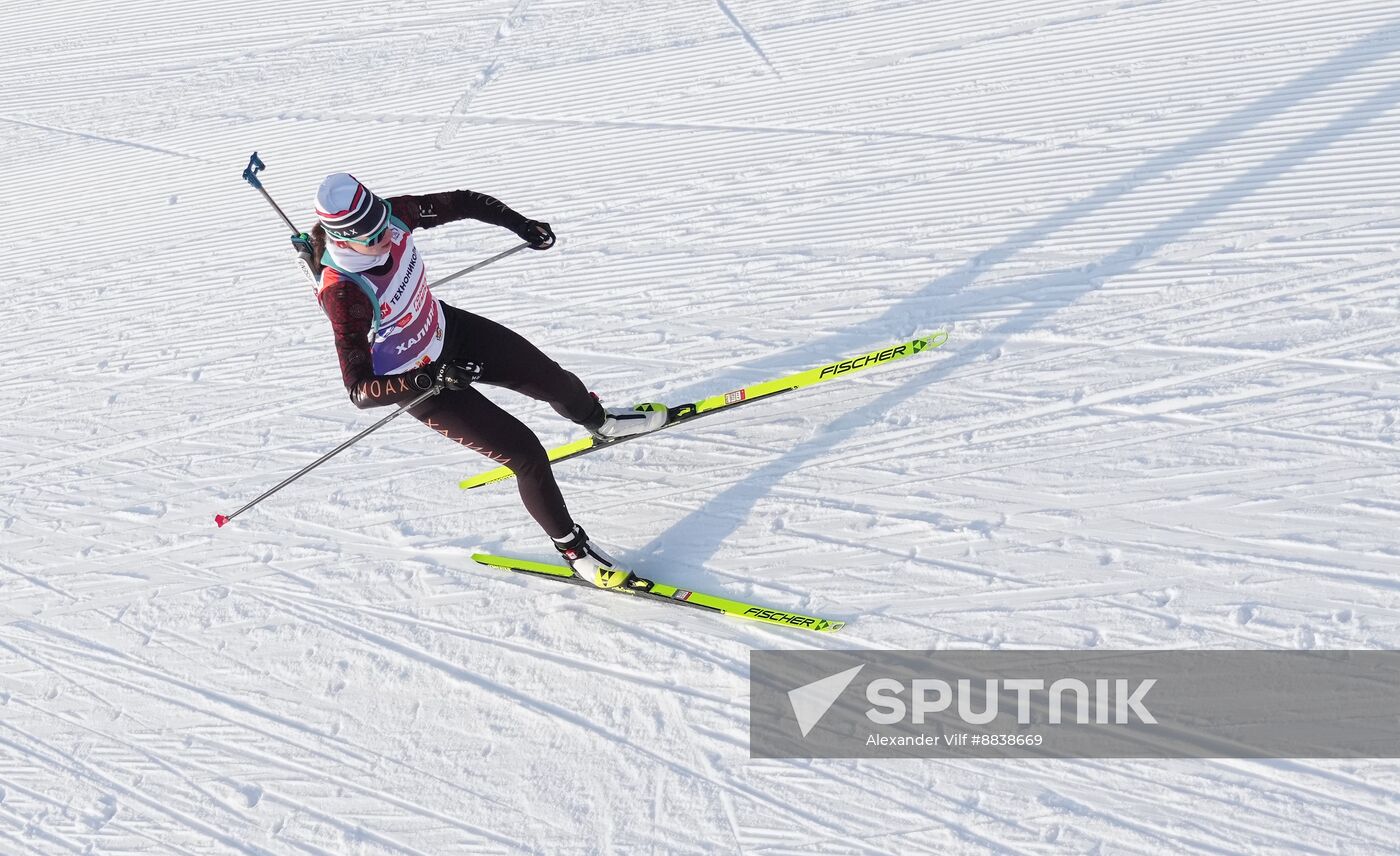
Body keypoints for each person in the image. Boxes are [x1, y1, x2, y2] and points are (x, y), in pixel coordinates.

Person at [304, 172, 664, 588]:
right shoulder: (344, 294)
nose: (384, 236)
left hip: (450, 330)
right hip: (423, 384)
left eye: (383, 223)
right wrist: (430, 378)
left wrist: (521, 224)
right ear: (344, 242)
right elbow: (359, 392)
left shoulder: (395, 215)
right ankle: (574, 551)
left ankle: (601, 422)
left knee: (553, 379)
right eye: (370, 236)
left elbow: (462, 201)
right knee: (527, 454)